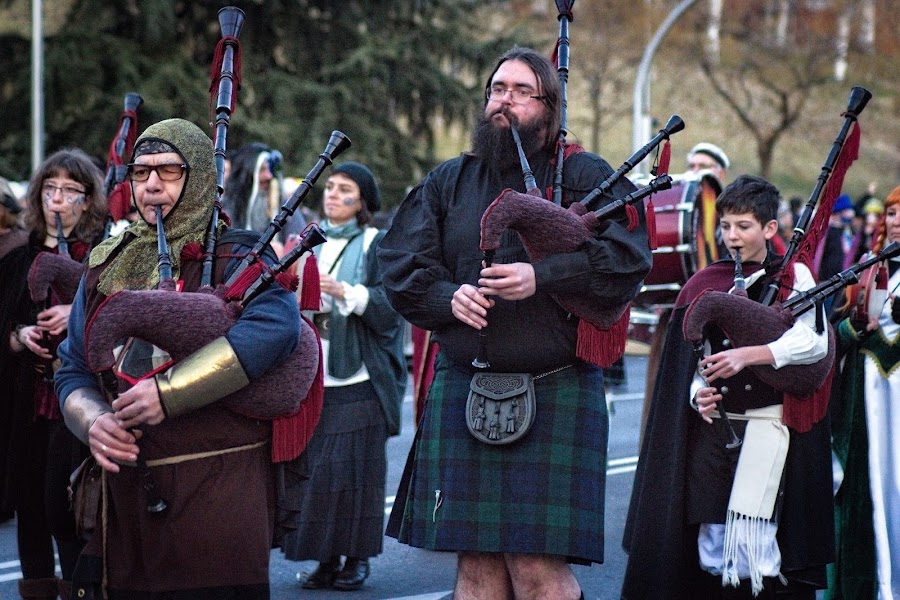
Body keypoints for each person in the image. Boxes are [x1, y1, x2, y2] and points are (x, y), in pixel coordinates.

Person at [378, 47, 652, 600]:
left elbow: (627, 261)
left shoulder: (584, 176)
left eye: (521, 91)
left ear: (549, 107)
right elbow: (400, 262)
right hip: (465, 384)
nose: (504, 100)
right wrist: (447, 297)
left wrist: (542, 275)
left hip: (557, 387)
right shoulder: (449, 180)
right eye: (497, 88)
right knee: (476, 570)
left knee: (536, 572)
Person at [55, 118, 301, 599]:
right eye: (141, 171)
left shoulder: (239, 255)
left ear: (201, 178)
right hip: (124, 497)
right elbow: (73, 365)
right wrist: (93, 420)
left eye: (168, 171)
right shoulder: (106, 262)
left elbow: (276, 330)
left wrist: (169, 394)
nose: (150, 185)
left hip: (218, 495)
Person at [622, 175, 833, 599]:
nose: (732, 236)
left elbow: (812, 343)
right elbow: (690, 361)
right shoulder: (705, 282)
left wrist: (748, 354)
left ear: (770, 229)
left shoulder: (796, 276)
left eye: (744, 226)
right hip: (713, 436)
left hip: (770, 433)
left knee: (760, 554)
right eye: (726, 226)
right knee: (712, 548)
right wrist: (695, 393)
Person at [278, 162, 406, 591]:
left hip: (360, 377)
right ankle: (326, 560)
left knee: (356, 474)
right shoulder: (307, 244)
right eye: (329, 187)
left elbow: (392, 308)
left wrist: (344, 291)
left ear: (363, 202)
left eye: (344, 189)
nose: (332, 194)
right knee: (318, 474)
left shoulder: (376, 243)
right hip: (315, 372)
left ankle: (357, 559)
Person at [0, 151, 107, 600]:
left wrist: (76, 313)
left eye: (69, 191)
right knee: (30, 504)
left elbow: (121, 321)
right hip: (26, 399)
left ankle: (82, 590)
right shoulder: (16, 260)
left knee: (66, 503)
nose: (57, 200)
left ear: (86, 202)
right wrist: (20, 336)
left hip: (77, 401)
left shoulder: (102, 259)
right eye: (49, 189)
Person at [827, 184, 900, 599]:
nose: (897, 223)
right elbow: (832, 332)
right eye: (891, 214)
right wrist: (853, 329)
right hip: (865, 411)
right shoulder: (867, 269)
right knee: (864, 501)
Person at [222, 142, 305, 254]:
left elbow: (302, 246)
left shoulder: (286, 208)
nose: (268, 176)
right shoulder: (225, 209)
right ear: (246, 174)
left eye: (270, 170)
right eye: (262, 170)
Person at [815, 193, 855, 316]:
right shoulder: (828, 232)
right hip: (823, 283)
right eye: (846, 211)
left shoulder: (845, 234)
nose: (849, 214)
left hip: (838, 284)